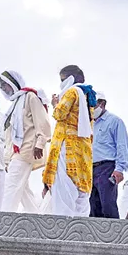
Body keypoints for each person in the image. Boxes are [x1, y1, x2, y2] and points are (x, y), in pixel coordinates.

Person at [42, 65, 96, 217]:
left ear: (69, 79)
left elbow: (60, 114)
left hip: (68, 147)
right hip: (83, 148)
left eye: (62, 80)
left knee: (64, 189)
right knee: (81, 191)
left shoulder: (72, 92)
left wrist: (54, 104)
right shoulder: (88, 94)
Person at [0, 70, 51, 213]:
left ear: (14, 83)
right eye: (2, 86)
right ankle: (38, 221)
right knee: (23, 191)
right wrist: (7, 159)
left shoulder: (30, 97)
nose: (4, 89)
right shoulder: (14, 105)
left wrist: (40, 143)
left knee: (11, 186)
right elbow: (9, 134)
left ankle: (3, 220)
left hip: (27, 149)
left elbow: (43, 121)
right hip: (15, 153)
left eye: (6, 85)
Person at [89, 91, 128, 219]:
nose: (91, 108)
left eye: (93, 105)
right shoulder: (89, 124)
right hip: (90, 168)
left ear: (102, 104)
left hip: (106, 167)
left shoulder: (115, 121)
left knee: (107, 204)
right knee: (92, 205)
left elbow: (122, 146)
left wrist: (119, 169)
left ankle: (114, 235)